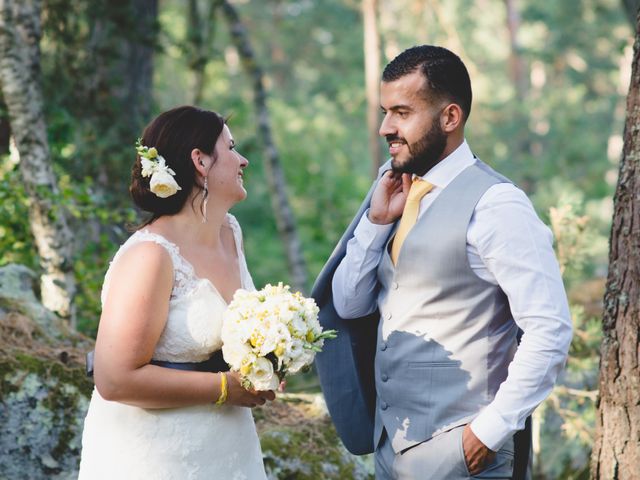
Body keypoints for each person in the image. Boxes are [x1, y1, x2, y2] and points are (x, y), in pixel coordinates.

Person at [313, 45, 572, 479]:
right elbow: (350, 304)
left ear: (450, 117)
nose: (384, 128)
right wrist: (376, 223)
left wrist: (487, 434)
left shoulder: (498, 205)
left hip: (465, 453)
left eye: (401, 112)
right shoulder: (392, 189)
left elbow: (550, 329)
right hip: (389, 451)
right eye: (384, 112)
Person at [78, 106, 275, 479]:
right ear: (200, 160)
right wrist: (223, 387)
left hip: (229, 448)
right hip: (154, 456)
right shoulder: (150, 257)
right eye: (231, 148)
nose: (242, 159)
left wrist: (269, 360)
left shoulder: (230, 232)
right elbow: (114, 378)